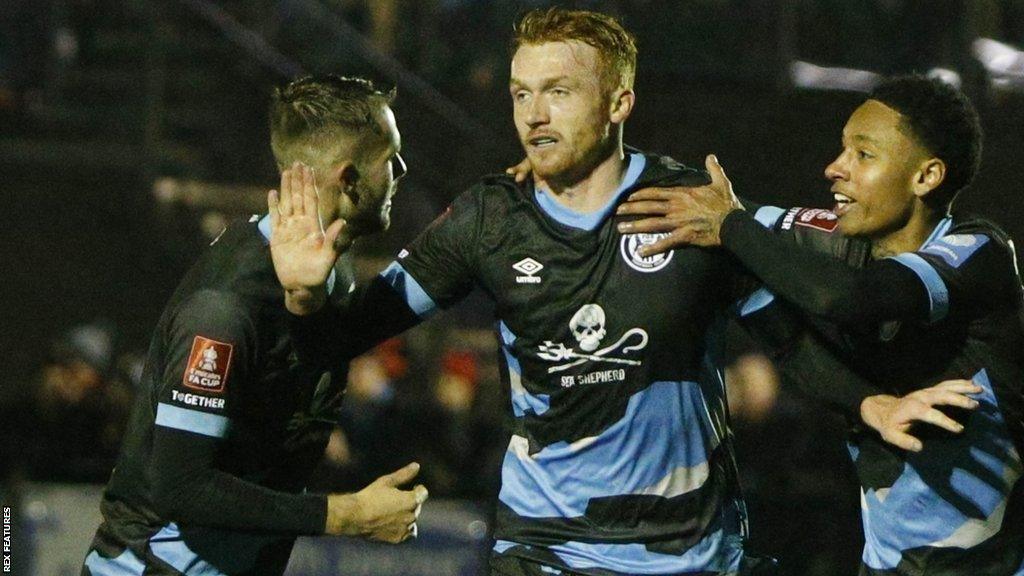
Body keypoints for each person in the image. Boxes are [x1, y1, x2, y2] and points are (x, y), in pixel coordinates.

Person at [269, 13, 977, 576]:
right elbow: (350, 333)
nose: (534, 114)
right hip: (545, 550)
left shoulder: (690, 208)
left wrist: (868, 403)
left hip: (689, 552)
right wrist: (305, 297)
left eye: (559, 91)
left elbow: (782, 335)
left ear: (619, 102)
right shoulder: (489, 219)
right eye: (521, 93)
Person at [617, 75, 1024, 575]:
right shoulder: (839, 239)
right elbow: (709, 208)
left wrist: (731, 228)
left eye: (863, 154)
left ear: (926, 177)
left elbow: (848, 298)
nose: (835, 168)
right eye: (841, 149)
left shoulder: (979, 255)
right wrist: (548, 171)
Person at [81, 75, 427, 576]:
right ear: (349, 179)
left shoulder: (330, 275)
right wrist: (345, 515)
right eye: (389, 157)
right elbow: (180, 487)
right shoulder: (224, 307)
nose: (402, 170)